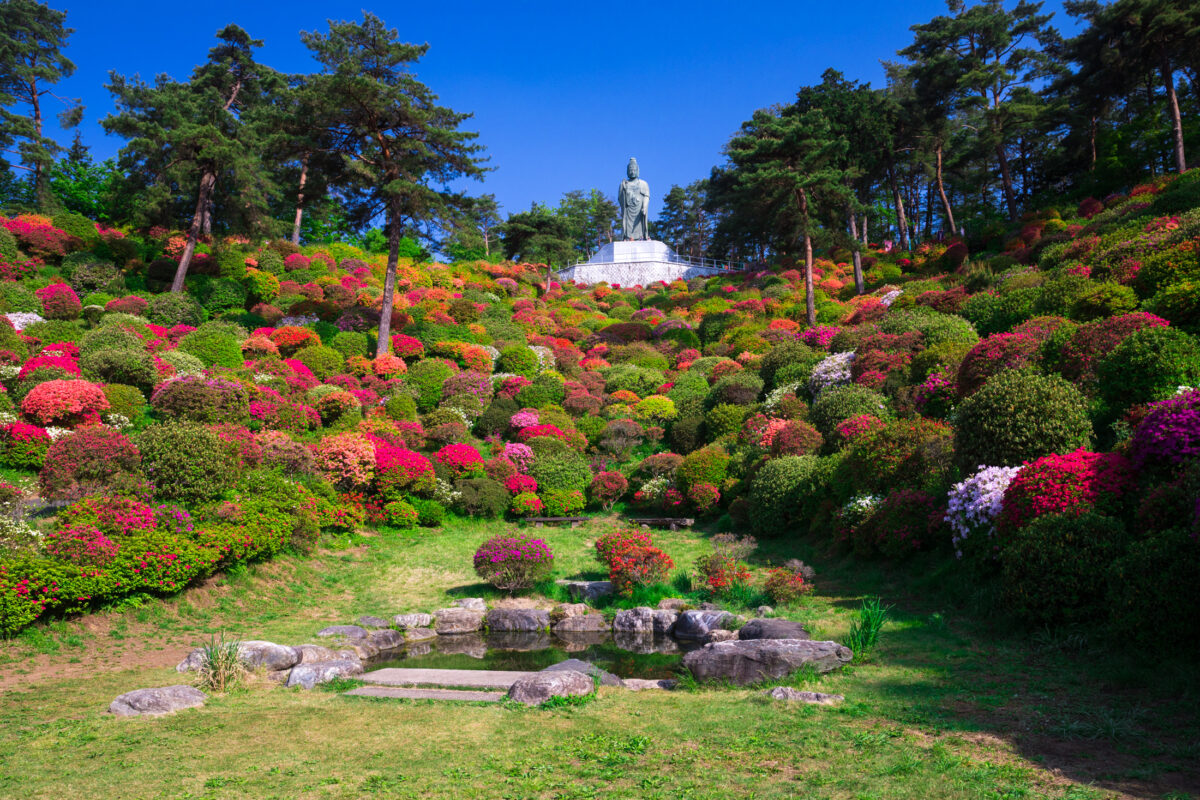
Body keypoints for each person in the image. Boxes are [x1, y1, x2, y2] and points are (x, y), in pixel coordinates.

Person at [618, 158, 649, 240]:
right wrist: (623, 189)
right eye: (630, 170)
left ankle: (642, 236)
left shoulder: (643, 183)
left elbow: (646, 196)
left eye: (634, 170)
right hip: (628, 210)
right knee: (628, 227)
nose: (632, 172)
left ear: (637, 170)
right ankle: (627, 237)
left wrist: (644, 207)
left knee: (640, 226)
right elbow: (620, 198)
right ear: (627, 171)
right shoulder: (624, 184)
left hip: (639, 210)